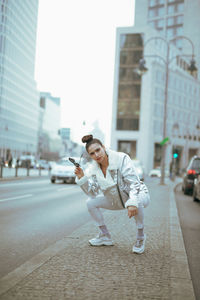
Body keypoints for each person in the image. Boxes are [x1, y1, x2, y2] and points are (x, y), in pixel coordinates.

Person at [74, 135, 150, 254]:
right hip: (115, 200)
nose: (97, 155)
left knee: (137, 199)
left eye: (98, 150)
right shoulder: (93, 169)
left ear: (104, 147)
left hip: (137, 193)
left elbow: (134, 183)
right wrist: (82, 178)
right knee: (90, 203)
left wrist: (133, 202)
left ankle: (140, 237)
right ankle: (105, 235)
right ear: (90, 156)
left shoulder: (121, 158)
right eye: (92, 153)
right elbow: (92, 193)